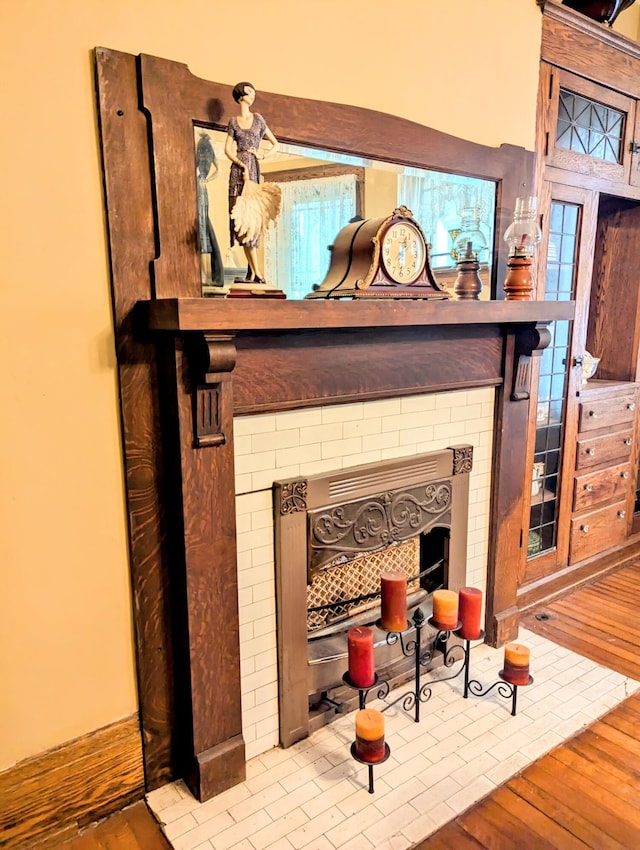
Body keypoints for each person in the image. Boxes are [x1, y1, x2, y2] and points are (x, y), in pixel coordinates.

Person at [224, 81, 278, 284]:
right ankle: (254, 273)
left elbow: (275, 143)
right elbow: (228, 149)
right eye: (249, 92)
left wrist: (262, 156)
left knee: (253, 219)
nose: (252, 95)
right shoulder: (234, 122)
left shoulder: (259, 120)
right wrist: (241, 163)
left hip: (253, 168)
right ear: (241, 95)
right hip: (239, 170)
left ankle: (256, 273)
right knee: (242, 220)